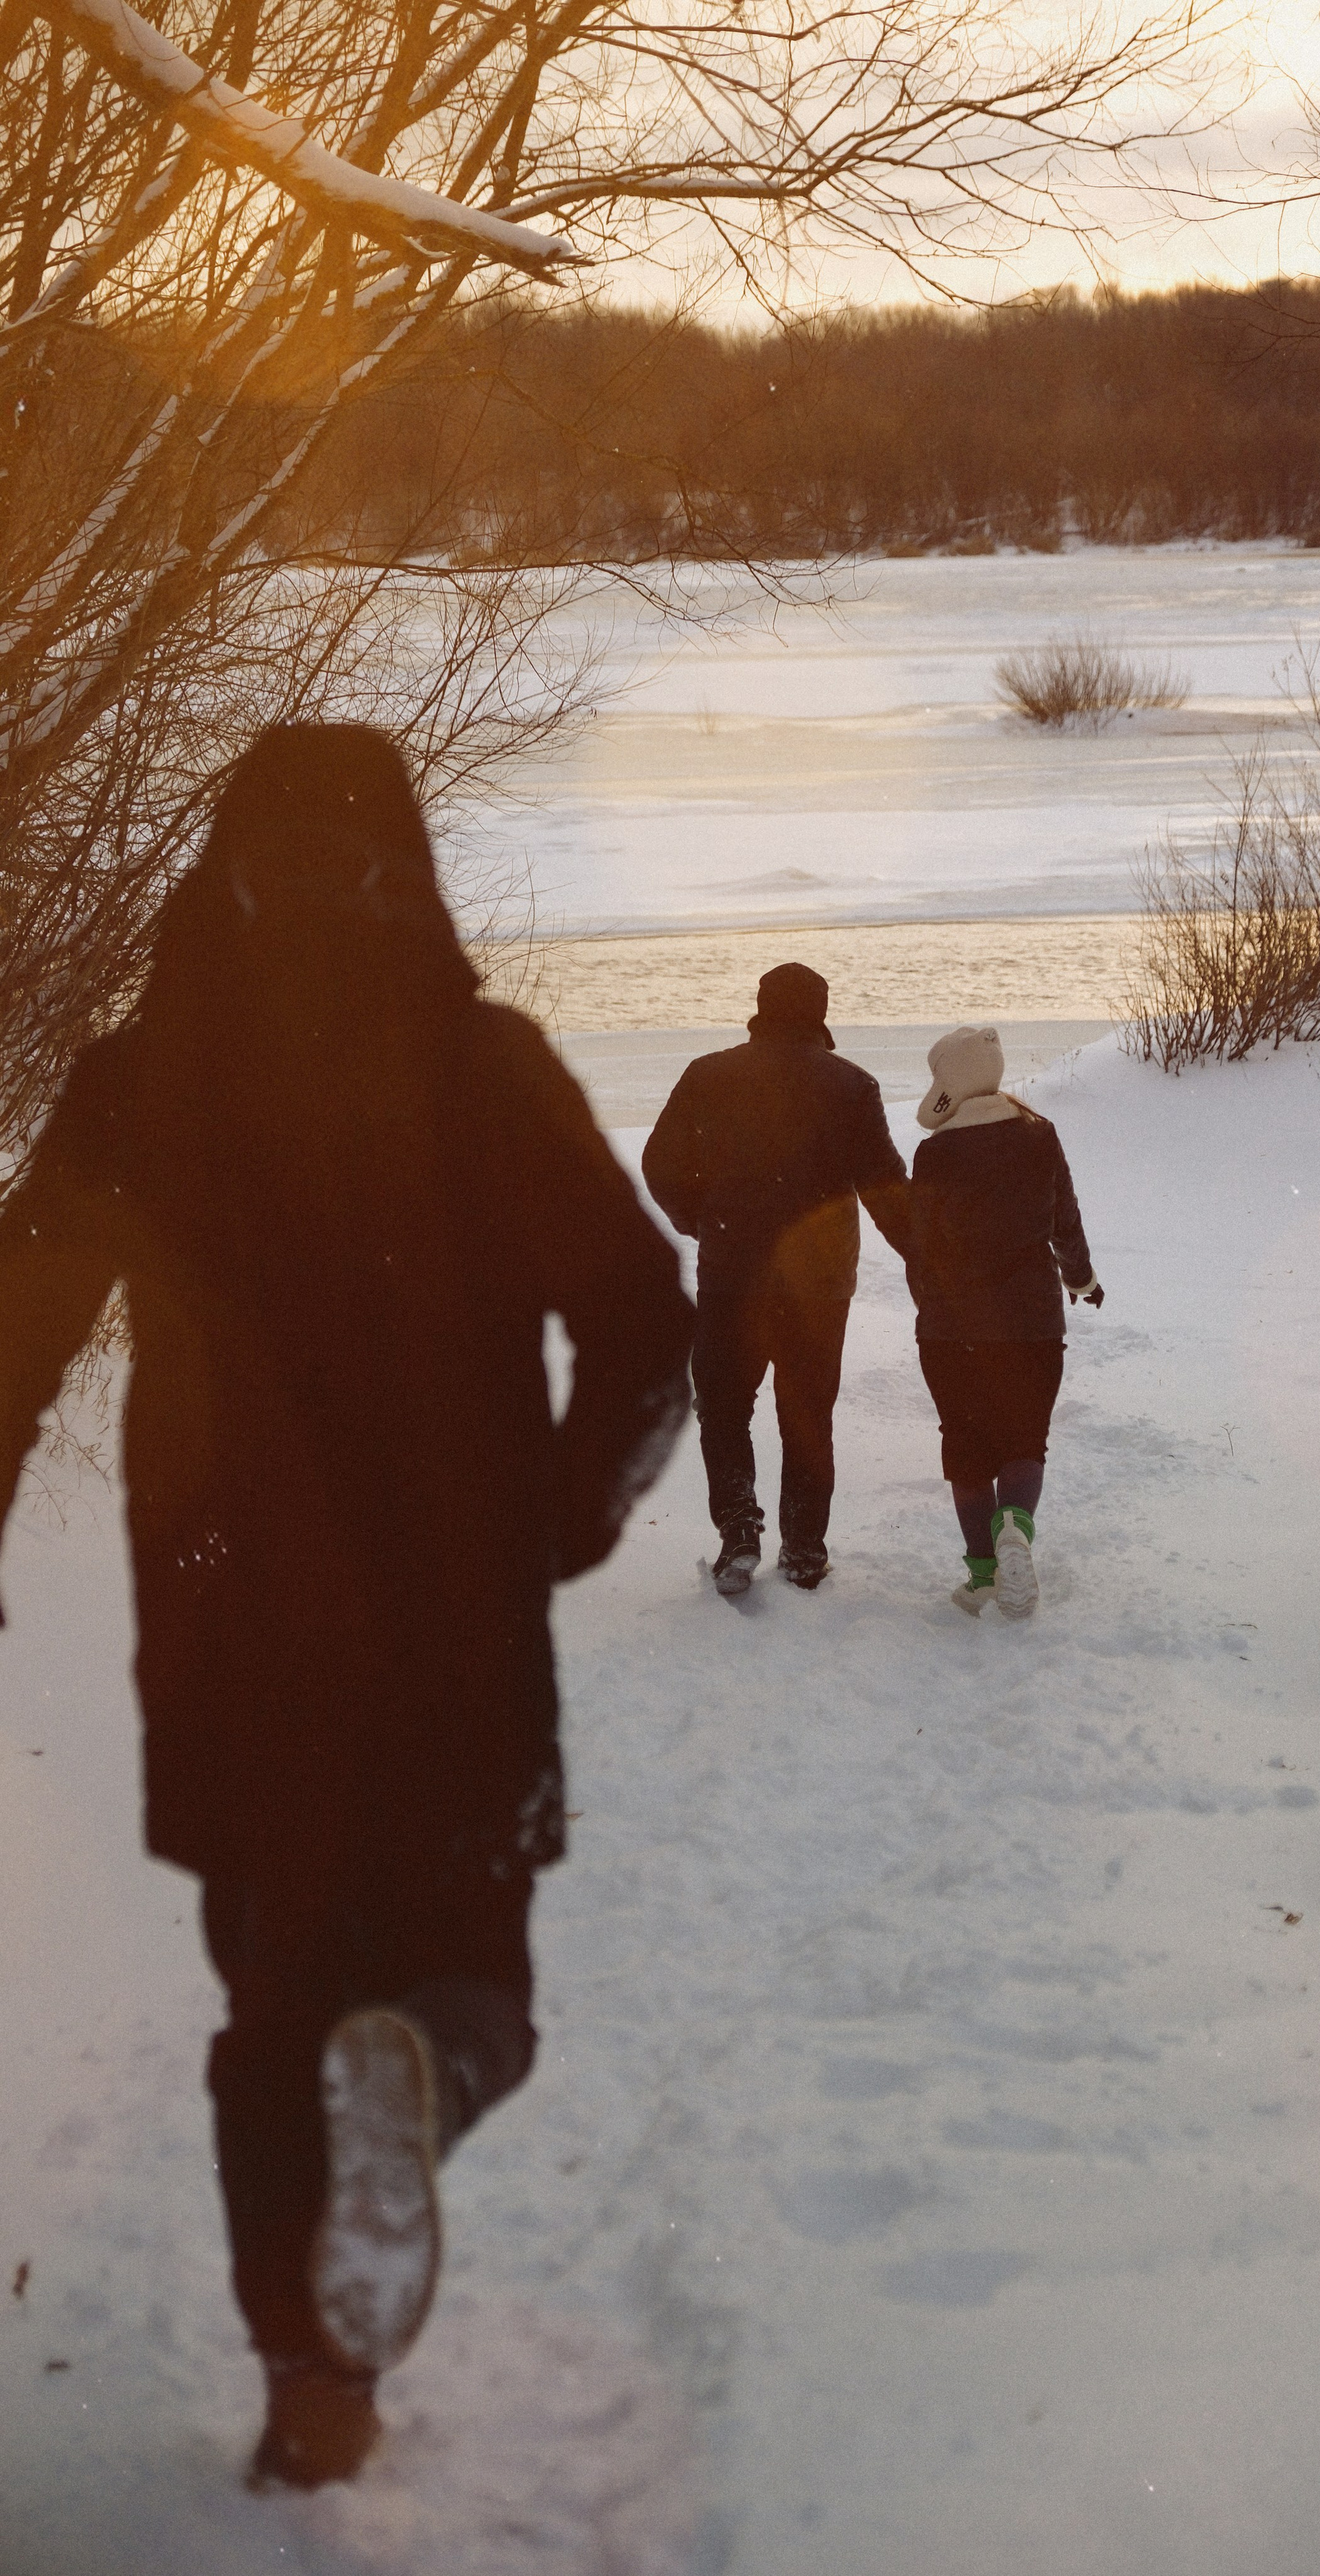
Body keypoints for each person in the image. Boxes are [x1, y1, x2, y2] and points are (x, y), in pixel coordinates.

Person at [0, 727, 694, 2491]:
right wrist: (553, 1528)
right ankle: (436, 2085)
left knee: (272, 2011)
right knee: (475, 1986)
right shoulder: (486, 1069)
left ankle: (315, 2390)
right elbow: (643, 1327)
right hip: (455, 1628)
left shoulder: (131, 1085)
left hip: (228, 1634)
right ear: (406, 875)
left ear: (215, 879)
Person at [641, 961, 912, 1597]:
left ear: (760, 1010)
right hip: (819, 1282)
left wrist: (698, 1219)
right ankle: (805, 1548)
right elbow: (886, 1190)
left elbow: (660, 1163)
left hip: (734, 1269)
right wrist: (932, 1263)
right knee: (808, 1411)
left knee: (725, 1405)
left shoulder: (709, 1075)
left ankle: (739, 1532)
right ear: (820, 1014)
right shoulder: (852, 1085)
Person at [906, 1024, 1103, 1618]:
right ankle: (1015, 1527)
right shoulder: (1039, 1137)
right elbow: (1063, 1221)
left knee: (966, 1449)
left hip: (953, 1329)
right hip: (1032, 1322)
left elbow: (922, 1253)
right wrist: (1080, 1280)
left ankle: (986, 1573)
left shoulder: (934, 1153)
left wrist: (934, 1314)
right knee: (1024, 1440)